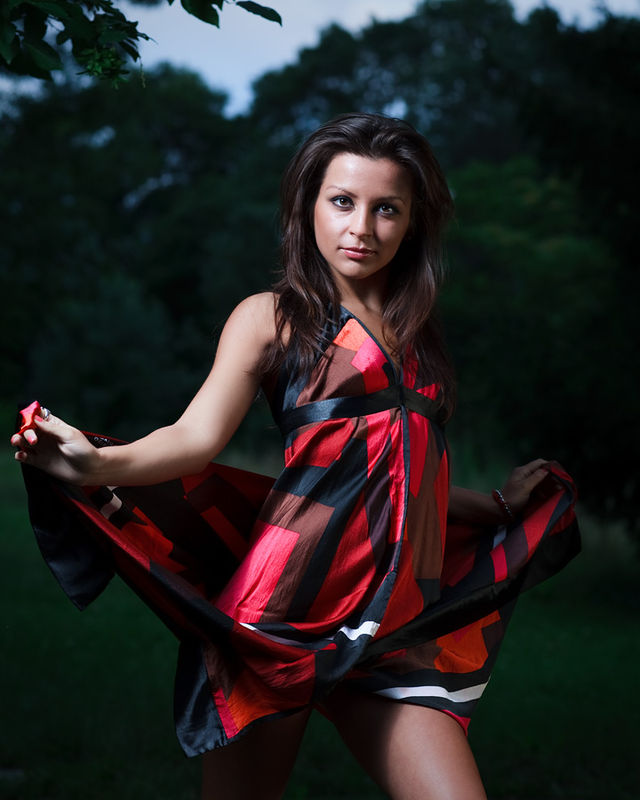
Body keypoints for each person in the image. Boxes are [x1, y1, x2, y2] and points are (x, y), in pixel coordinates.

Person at [11, 113, 579, 800]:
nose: (361, 228)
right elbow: (194, 438)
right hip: (282, 619)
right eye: (342, 201)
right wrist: (98, 466)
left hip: (396, 625)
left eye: (386, 209)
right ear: (308, 205)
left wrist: (493, 507)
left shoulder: (420, 333)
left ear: (413, 222)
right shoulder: (273, 317)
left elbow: (396, 474)